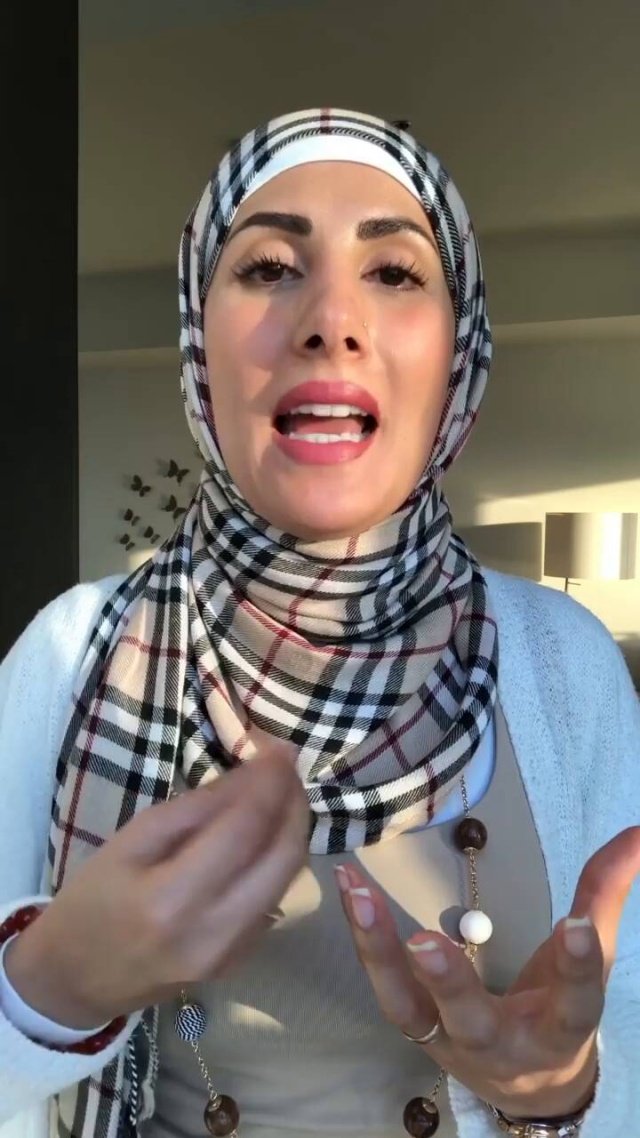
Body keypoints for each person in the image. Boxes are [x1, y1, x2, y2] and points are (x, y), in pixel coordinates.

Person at [0, 108, 638, 1138]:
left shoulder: (564, 659)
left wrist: (558, 1097)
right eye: (267, 268)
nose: (331, 318)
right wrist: (46, 988)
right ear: (197, 342)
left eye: (393, 271)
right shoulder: (72, 652)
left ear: (459, 350)